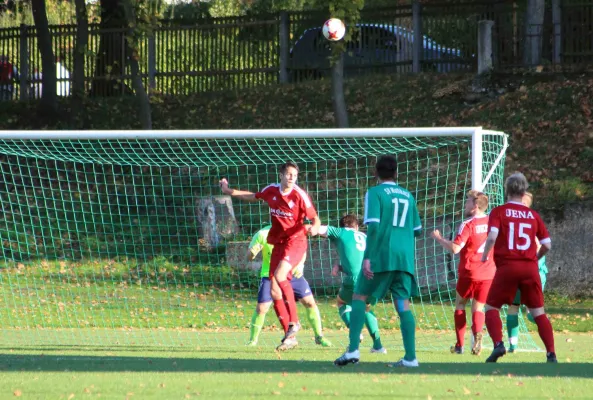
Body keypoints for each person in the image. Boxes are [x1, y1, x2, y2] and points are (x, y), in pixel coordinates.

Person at [220, 161, 321, 350]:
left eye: (295, 175)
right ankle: (289, 337)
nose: (292, 178)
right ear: (281, 175)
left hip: (296, 241)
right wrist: (229, 191)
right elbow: (253, 196)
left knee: (281, 276)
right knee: (274, 289)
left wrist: (315, 228)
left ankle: (294, 322)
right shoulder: (272, 190)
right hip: (279, 243)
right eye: (289, 174)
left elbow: (315, 218)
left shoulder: (299, 194)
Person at [334, 155, 422, 368]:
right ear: (396, 173)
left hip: (382, 255)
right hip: (405, 259)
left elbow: (372, 227)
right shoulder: (408, 196)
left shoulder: (375, 193)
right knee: (403, 305)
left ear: (376, 173)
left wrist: (368, 258)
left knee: (358, 296)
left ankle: (353, 350)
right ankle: (411, 358)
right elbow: (417, 230)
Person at [481, 172, 556, 363]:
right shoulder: (533, 215)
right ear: (524, 192)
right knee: (538, 311)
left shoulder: (498, 212)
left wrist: (484, 255)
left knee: (491, 307)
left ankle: (499, 344)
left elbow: (492, 236)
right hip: (530, 269)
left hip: (508, 267)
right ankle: (551, 353)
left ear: (506, 190)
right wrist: (534, 258)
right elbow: (547, 244)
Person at [245, 224, 332, 349]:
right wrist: (252, 253)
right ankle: (253, 341)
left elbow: (301, 250)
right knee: (262, 308)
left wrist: (301, 265)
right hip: (270, 275)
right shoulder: (262, 234)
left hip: (292, 273)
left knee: (310, 302)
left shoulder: (293, 231)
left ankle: (319, 336)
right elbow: (249, 256)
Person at [431, 190, 495, 356]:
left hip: (470, 272)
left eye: (467, 202)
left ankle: (459, 346)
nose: (464, 205)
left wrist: (439, 239)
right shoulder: (493, 222)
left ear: (475, 206)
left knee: (460, 305)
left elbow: (455, 248)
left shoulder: (468, 224)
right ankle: (478, 335)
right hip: (488, 273)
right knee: (479, 308)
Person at [318, 214, 386, 354]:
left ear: (343, 226)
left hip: (355, 280)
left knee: (342, 302)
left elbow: (319, 229)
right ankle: (378, 346)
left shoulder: (342, 232)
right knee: (366, 308)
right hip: (373, 278)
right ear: (356, 226)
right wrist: (341, 266)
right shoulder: (365, 236)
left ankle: (354, 331)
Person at [505, 191, 549, 352]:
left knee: (514, 308)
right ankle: (513, 345)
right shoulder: (533, 220)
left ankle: (512, 346)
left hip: (524, 272)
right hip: (535, 273)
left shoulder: (520, 223)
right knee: (527, 309)